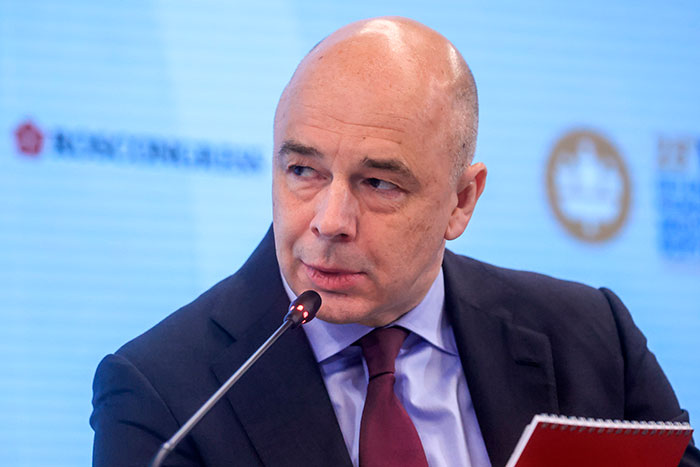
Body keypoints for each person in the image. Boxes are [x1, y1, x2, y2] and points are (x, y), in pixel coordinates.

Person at [91, 17, 700, 467]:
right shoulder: (163, 396)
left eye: (378, 183)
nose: (330, 220)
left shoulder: (593, 341)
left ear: (461, 201)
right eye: (303, 171)